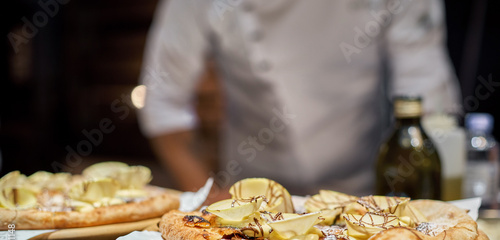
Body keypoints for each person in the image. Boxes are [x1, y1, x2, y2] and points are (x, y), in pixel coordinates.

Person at [137, 0, 460, 198]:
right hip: (252, 195)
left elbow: (427, 98)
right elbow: (163, 105)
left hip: (362, 195)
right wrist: (207, 200)